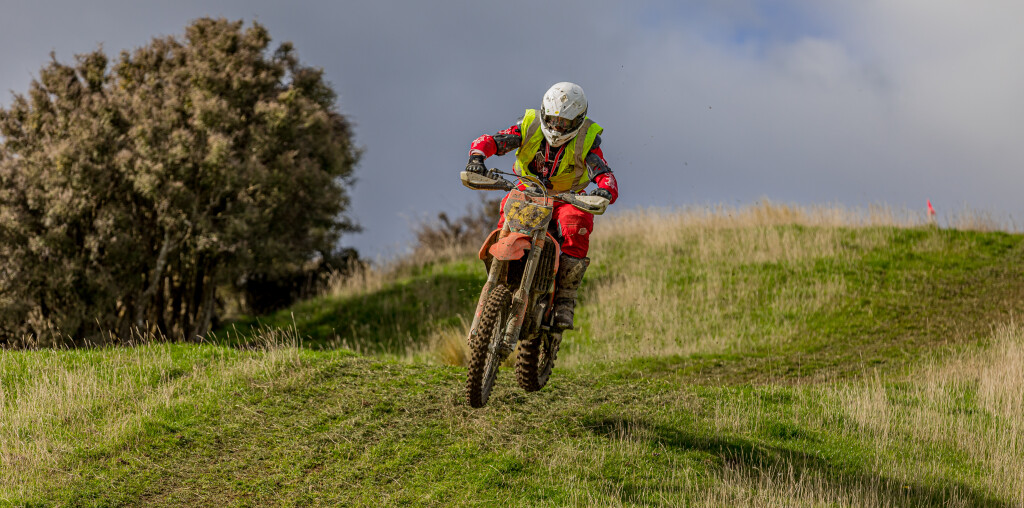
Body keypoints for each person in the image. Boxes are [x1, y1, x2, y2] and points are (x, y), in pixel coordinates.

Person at [465, 82, 619, 330]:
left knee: (575, 223)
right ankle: (499, 277)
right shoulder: (529, 126)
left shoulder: (587, 140)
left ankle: (565, 300)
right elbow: (492, 140)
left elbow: (604, 173)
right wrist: (477, 157)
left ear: (578, 121)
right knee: (507, 213)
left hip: (567, 198)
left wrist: (604, 190)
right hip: (528, 191)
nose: (557, 127)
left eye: (564, 123)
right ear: (544, 113)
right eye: (553, 120)